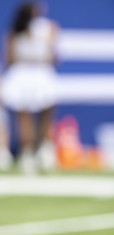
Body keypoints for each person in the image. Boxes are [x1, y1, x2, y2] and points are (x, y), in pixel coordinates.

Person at [0, 1, 59, 174]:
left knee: (37, 114)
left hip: (36, 73)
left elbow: (51, 56)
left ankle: (39, 151)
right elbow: (10, 57)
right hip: (27, 74)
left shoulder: (47, 29)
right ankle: (32, 152)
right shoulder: (20, 30)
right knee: (27, 115)